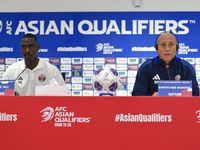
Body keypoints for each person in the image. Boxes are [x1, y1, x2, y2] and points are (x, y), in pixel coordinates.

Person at [132, 31, 199, 96]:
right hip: (154, 107)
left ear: (176, 48)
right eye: (163, 45)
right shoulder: (146, 67)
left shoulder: (187, 68)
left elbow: (195, 95)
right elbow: (137, 95)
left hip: (180, 107)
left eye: (171, 45)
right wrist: (151, 99)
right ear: (157, 48)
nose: (167, 49)